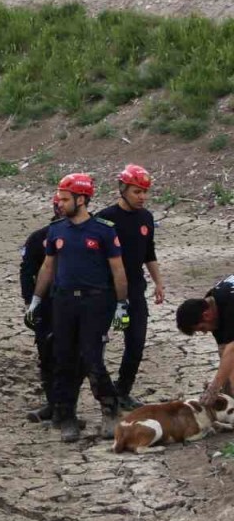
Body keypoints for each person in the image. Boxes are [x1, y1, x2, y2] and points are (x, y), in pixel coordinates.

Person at [30, 173, 130, 443]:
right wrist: (36, 300)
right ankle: (67, 417)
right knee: (63, 359)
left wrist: (122, 305)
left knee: (92, 358)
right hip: (63, 302)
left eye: (65, 199)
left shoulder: (103, 230)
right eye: (59, 198)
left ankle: (110, 410)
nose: (60, 204)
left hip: (95, 302)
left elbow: (118, 270)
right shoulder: (57, 230)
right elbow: (48, 267)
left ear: (82, 199)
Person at [95, 164, 163, 411]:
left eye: (145, 192)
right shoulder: (104, 218)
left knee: (136, 341)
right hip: (104, 291)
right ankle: (104, 394)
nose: (142, 197)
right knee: (97, 343)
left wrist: (158, 282)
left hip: (135, 290)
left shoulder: (146, 218)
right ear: (122, 189)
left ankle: (123, 390)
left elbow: (149, 251)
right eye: (137, 191)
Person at [20, 194, 63, 423]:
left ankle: (67, 408)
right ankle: (52, 404)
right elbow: (27, 272)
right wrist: (30, 303)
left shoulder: (93, 234)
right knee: (46, 354)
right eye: (61, 202)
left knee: (76, 357)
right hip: (47, 305)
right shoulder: (39, 238)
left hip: (77, 305)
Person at [176, 275, 234, 406]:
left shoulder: (230, 305)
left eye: (202, 328)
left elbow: (232, 350)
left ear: (206, 315)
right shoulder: (212, 302)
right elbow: (225, 352)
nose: (204, 332)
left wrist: (214, 387)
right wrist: (226, 392)